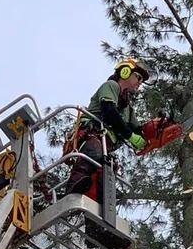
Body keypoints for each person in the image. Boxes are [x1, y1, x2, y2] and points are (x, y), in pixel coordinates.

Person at [64, 57, 150, 198]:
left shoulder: (127, 106)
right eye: (138, 77)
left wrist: (157, 130)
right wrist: (130, 136)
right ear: (125, 72)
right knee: (92, 157)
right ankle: (73, 189)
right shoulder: (111, 86)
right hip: (92, 133)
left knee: (106, 172)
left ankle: (100, 202)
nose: (140, 82)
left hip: (106, 144)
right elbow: (109, 111)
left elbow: (138, 129)